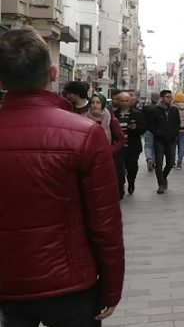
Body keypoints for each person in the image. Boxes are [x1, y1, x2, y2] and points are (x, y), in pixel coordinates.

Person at [0, 27, 124, 325]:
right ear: (54, 74)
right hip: (72, 285)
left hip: (9, 283)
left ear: (2, 81)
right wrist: (111, 287)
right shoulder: (84, 134)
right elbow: (105, 224)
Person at [87, 93, 128, 198]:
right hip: (89, 156)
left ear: (103, 105)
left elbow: (121, 140)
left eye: (98, 103)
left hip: (108, 157)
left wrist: (110, 150)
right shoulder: (84, 119)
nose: (95, 105)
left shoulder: (111, 120)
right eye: (92, 102)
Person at [147, 89, 181, 194]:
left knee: (170, 162)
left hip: (171, 140)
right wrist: (158, 133)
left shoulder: (174, 110)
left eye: (170, 97)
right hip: (159, 140)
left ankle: (163, 177)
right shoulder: (155, 110)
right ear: (162, 98)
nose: (170, 99)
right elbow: (150, 125)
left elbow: (177, 123)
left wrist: (174, 133)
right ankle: (161, 184)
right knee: (159, 163)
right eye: (167, 97)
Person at [113, 91, 146, 195]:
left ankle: (131, 182)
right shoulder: (114, 114)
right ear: (118, 101)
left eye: (126, 101)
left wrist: (136, 128)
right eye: (122, 101)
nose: (124, 103)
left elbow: (143, 128)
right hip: (118, 147)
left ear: (130, 101)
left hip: (132, 146)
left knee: (132, 168)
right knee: (119, 170)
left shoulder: (137, 113)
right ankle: (120, 188)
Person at [142, 92, 160, 172]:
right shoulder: (160, 109)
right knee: (156, 146)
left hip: (148, 129)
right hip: (157, 130)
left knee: (148, 145)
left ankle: (149, 158)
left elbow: (142, 118)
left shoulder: (146, 108)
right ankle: (154, 160)